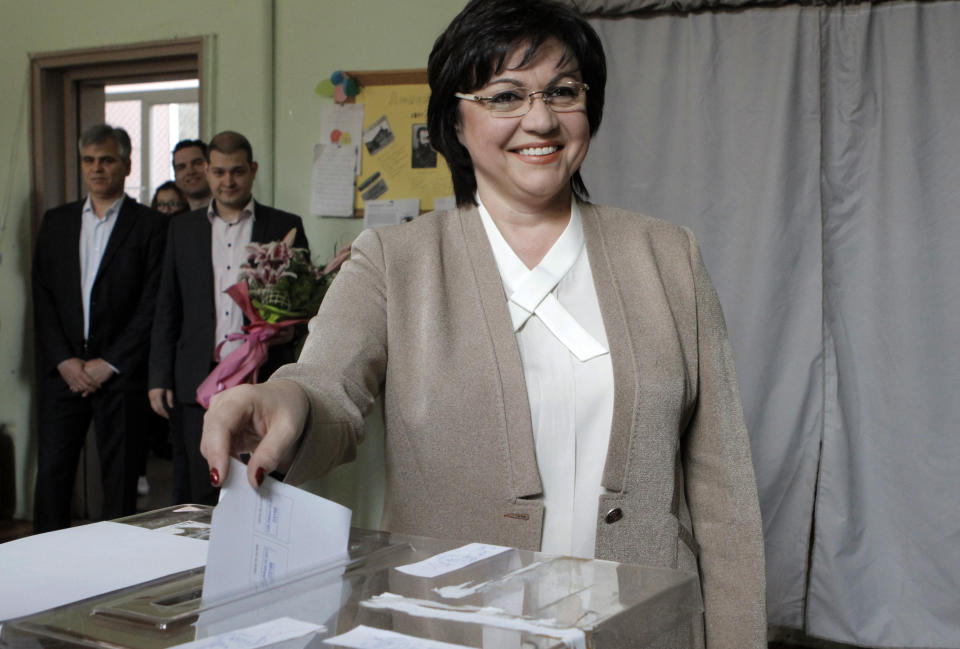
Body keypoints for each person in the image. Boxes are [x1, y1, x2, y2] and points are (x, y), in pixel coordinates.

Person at [201, 1, 766, 646]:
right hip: (454, 629)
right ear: (455, 122)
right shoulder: (396, 260)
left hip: (644, 628)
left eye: (564, 91)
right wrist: (282, 399)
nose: (542, 118)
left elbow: (724, 488)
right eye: (505, 96)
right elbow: (327, 388)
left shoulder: (667, 256)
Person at [148, 130, 308, 506]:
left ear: (252, 171)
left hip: (263, 376)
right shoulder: (181, 229)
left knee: (266, 484)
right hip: (197, 375)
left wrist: (291, 332)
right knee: (199, 485)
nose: (228, 181)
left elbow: (303, 303)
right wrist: (158, 376)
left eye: (237, 171)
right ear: (206, 171)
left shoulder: (284, 224)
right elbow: (167, 306)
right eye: (219, 172)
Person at [32, 124, 168, 532]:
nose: (97, 169)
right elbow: (43, 297)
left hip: (120, 374)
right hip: (64, 374)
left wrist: (110, 362)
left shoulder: (150, 226)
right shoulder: (56, 222)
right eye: (89, 160)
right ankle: (43, 560)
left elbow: (152, 303)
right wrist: (63, 360)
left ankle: (113, 567)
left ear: (126, 165)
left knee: (120, 480)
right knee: (53, 473)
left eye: (106, 160)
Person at [172, 139, 211, 210]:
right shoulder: (175, 220)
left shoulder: (234, 215)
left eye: (197, 163)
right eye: (181, 167)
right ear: (175, 177)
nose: (190, 171)